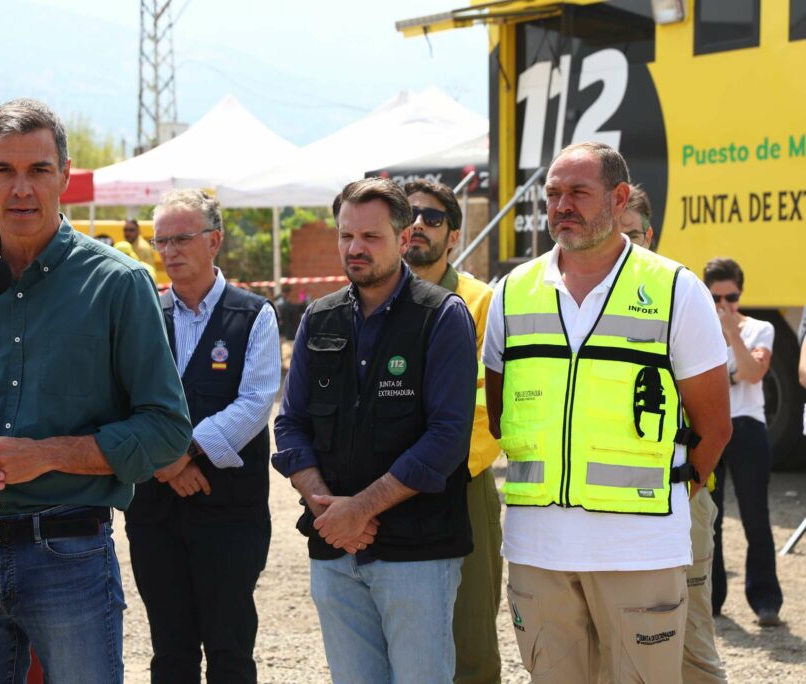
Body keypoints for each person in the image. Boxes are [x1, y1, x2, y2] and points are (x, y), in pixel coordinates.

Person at [0, 98, 192, 683]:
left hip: (70, 555)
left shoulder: (118, 284)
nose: (21, 188)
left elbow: (166, 429)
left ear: (64, 173)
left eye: (38, 170)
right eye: (4, 170)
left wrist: (49, 456)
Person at [485, 142, 732, 683]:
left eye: (578, 192)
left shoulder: (675, 290)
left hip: (639, 552)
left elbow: (714, 427)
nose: (561, 205)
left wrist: (667, 494)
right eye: (552, 194)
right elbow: (500, 415)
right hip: (537, 550)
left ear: (619, 199)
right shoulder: (511, 294)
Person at [273, 177, 477, 683]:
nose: (354, 249)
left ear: (404, 239)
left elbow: (446, 439)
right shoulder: (319, 319)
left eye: (370, 237)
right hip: (335, 551)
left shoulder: (442, 316)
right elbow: (291, 425)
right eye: (346, 236)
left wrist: (359, 509)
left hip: (418, 556)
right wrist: (328, 508)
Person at [125, 190, 280, 683]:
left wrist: (180, 450)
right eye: (161, 240)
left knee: (229, 647)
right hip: (155, 512)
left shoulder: (254, 314)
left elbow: (257, 401)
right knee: (170, 652)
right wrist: (166, 467)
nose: (169, 250)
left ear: (214, 240)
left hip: (229, 511)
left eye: (181, 238)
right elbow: (121, 398)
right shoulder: (143, 313)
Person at [617, 185, 727, 684]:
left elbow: (714, 425)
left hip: (680, 494)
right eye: (612, 233)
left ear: (651, 235)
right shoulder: (575, 304)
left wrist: (690, 483)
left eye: (632, 234)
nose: (622, 244)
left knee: (691, 642)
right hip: (602, 509)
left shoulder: (681, 297)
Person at [402, 178, 503, 684]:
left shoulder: (480, 302)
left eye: (433, 217)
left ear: (455, 235)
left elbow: (490, 410)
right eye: (410, 215)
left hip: (458, 485)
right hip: (379, 490)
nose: (418, 223)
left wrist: (428, 468)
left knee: (469, 642)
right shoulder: (364, 299)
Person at [703, 257, 784, 627]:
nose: (725, 306)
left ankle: (765, 600)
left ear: (741, 293)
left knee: (756, 518)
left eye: (731, 297)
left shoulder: (759, 328)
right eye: (717, 298)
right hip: (710, 426)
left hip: (747, 427)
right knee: (710, 518)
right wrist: (733, 372)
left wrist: (732, 333)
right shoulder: (697, 330)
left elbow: (753, 373)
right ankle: (712, 598)